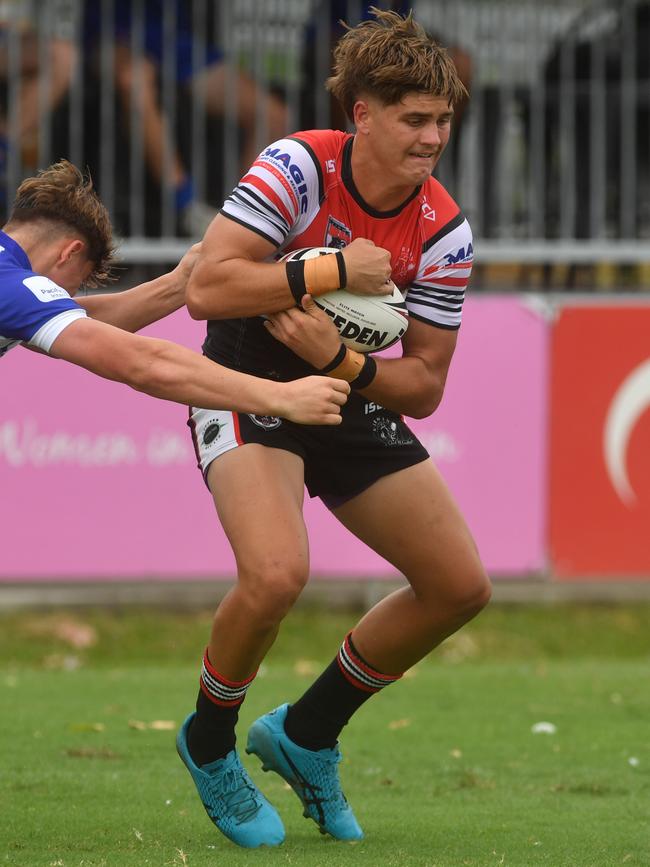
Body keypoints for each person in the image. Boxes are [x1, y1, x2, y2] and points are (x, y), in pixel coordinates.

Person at [177, 7, 491, 849]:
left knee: (459, 584)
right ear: (364, 114)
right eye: (414, 119)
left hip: (344, 389)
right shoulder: (297, 167)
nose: (432, 138)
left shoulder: (445, 230)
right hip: (244, 376)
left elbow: (422, 385)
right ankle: (209, 742)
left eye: (442, 121)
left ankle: (306, 734)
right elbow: (207, 288)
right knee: (278, 574)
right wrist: (323, 271)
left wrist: (343, 363)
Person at [0, 158, 349, 426]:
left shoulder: (11, 284)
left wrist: (179, 283)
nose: (65, 295)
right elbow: (143, 363)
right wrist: (281, 397)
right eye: (72, 287)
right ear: (70, 252)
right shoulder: (15, 285)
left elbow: (91, 323)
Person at [82, 0, 288, 237]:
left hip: (176, 42)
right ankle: (188, 208)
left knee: (274, 116)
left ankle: (241, 218)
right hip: (114, 36)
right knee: (134, 81)